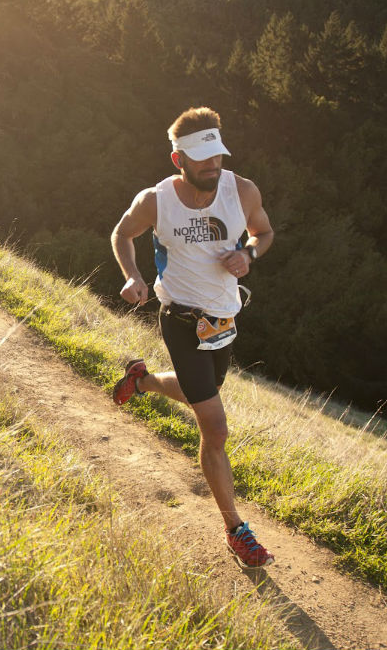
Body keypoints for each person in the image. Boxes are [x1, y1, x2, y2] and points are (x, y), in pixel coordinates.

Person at [110, 106, 276, 568]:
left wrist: (249, 253)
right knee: (215, 426)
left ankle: (140, 380)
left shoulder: (241, 191)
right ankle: (235, 530)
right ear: (177, 158)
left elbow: (264, 233)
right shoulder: (156, 200)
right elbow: (122, 234)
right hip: (179, 319)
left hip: (223, 320)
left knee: (198, 392)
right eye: (202, 159)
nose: (213, 166)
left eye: (217, 156)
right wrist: (132, 275)